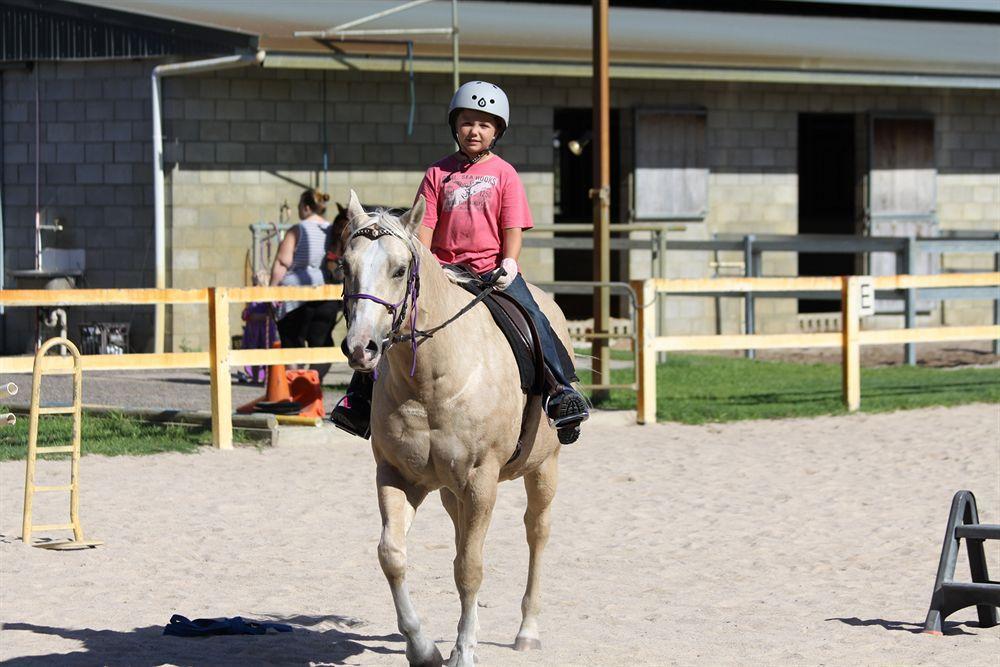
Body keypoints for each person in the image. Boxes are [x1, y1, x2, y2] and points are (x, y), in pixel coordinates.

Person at [331, 81, 589, 445]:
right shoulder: (437, 174)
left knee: (532, 317)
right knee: (393, 321)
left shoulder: (505, 174)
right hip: (445, 272)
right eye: (468, 122)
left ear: (497, 130)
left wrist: (510, 263)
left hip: (491, 272)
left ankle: (560, 391)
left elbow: (512, 227)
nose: (475, 131)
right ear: (456, 125)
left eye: (485, 124)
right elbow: (425, 229)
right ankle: (359, 398)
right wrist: (426, 267)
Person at [269, 188, 341, 383]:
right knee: (323, 346)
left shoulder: (297, 230)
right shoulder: (332, 230)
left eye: (300, 205)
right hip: (325, 294)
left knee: (292, 346)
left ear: (307, 207)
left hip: (294, 296)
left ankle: (296, 388)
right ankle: (311, 384)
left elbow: (282, 264)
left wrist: (270, 292)